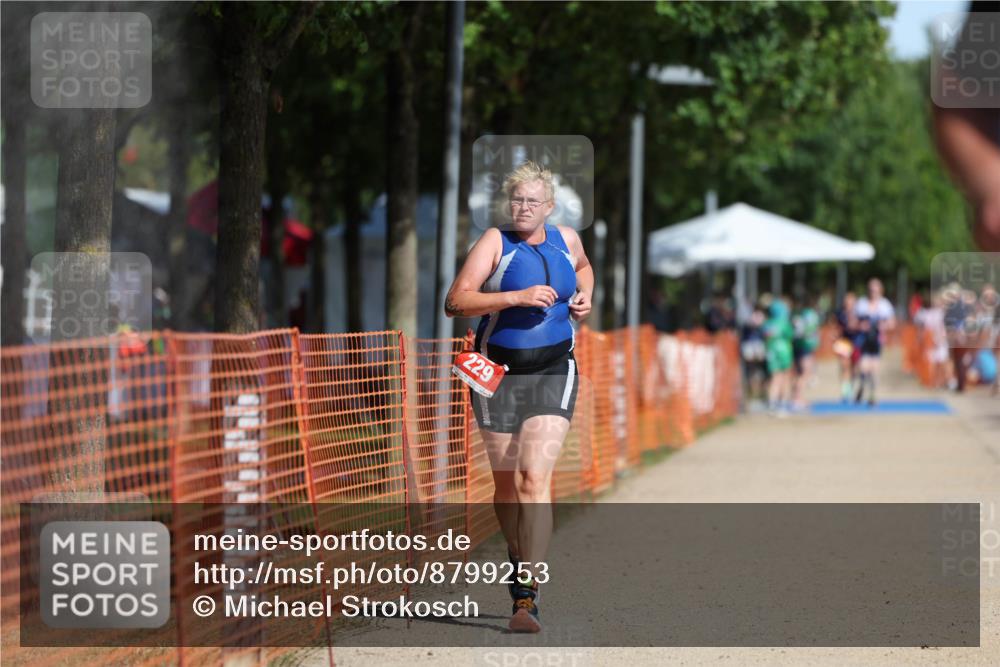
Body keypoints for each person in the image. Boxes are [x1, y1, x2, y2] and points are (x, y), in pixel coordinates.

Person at [444, 161, 593, 633]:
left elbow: (584, 268)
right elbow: (456, 301)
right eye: (516, 200)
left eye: (532, 201)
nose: (523, 208)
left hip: (554, 367)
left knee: (533, 476)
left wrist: (585, 296)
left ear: (549, 207)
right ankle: (517, 558)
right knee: (506, 485)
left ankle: (527, 594)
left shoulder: (566, 240)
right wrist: (516, 297)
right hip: (497, 372)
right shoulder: (495, 242)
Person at [854, 278, 896, 406]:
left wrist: (884, 326)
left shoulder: (885, 305)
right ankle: (861, 385)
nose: (873, 292)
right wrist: (860, 326)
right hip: (863, 340)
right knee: (863, 368)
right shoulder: (861, 304)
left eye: (875, 290)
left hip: (876, 341)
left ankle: (872, 395)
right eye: (871, 290)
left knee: (874, 369)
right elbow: (853, 322)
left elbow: (892, 323)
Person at [763, 297, 794, 416]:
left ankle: (772, 403)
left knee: (774, 378)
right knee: (784, 378)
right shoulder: (785, 323)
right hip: (784, 353)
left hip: (771, 353)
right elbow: (790, 335)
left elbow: (765, 336)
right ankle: (782, 404)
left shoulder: (767, 323)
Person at [791, 295, 821, 409]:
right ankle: (797, 399)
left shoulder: (797, 314)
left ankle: (797, 397)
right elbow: (811, 330)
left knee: (799, 373)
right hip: (806, 346)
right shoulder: (811, 315)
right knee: (805, 373)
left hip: (798, 346)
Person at [833, 291, 859, 402]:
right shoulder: (840, 313)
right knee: (844, 366)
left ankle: (851, 388)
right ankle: (845, 392)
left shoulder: (858, 314)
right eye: (847, 302)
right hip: (843, 342)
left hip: (856, 342)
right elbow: (836, 327)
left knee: (854, 367)